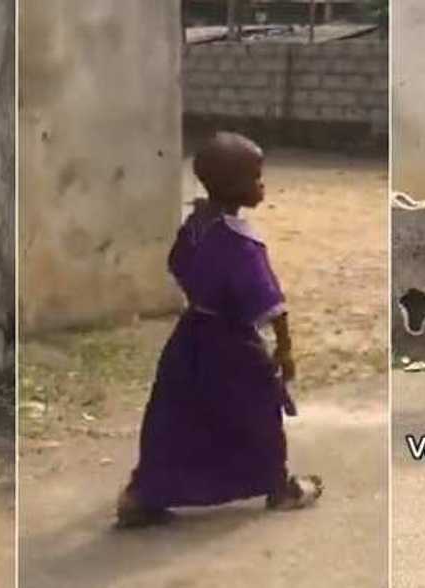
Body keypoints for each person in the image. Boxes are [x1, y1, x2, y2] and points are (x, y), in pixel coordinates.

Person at [116, 132, 323, 528]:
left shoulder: (195, 226)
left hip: (191, 336)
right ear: (233, 186)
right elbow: (269, 300)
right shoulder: (240, 242)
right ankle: (278, 487)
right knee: (259, 410)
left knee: (175, 414)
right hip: (232, 342)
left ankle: (145, 494)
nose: (262, 185)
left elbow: (177, 263)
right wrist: (284, 349)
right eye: (256, 177)